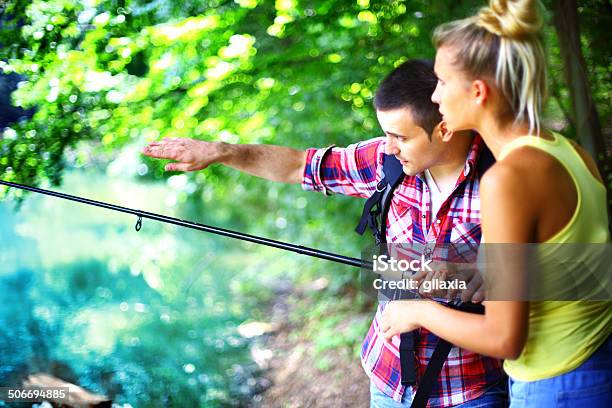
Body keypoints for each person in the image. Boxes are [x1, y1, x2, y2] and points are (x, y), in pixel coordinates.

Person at [142, 59, 507, 407]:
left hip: (471, 390)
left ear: (444, 128)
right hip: (388, 375)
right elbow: (300, 165)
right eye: (386, 134)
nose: (390, 148)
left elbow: (548, 280)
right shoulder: (388, 160)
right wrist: (222, 151)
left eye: (400, 137)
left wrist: (479, 276)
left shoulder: (505, 180)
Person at [380, 1, 611, 406]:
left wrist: (418, 312)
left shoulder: (506, 180)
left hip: (554, 386)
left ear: (478, 92)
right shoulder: (565, 151)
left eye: (440, 82)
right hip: (595, 363)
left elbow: (504, 338)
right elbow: (588, 272)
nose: (434, 96)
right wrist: (478, 273)